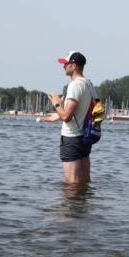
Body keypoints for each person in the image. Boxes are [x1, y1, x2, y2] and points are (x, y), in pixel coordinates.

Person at [42, 51, 96, 184]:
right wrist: (58, 115)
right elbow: (85, 111)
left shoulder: (75, 85)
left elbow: (67, 116)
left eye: (66, 64)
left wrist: (57, 104)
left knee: (72, 184)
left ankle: (72, 199)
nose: (64, 66)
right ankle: (84, 199)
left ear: (74, 65)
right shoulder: (89, 85)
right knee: (84, 182)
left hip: (72, 139)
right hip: (85, 138)